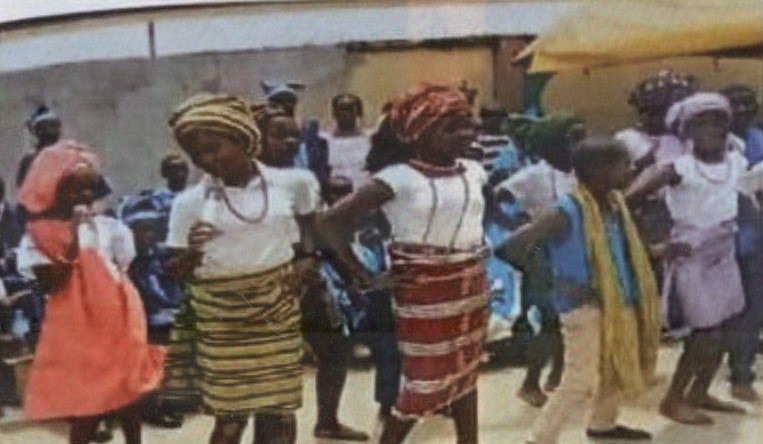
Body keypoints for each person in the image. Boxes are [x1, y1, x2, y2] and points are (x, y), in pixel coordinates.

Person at [320, 83, 488, 444]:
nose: (464, 134)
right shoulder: (397, 178)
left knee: (466, 373)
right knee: (423, 383)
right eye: (451, 128)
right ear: (418, 133)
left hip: (471, 285)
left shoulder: (475, 171)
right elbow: (331, 222)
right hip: (422, 291)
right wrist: (363, 277)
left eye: (467, 125)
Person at [162, 94, 320, 444]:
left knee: (278, 412)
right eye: (197, 155)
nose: (206, 161)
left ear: (242, 138)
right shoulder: (189, 203)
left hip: (276, 309)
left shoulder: (293, 182)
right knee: (230, 419)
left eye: (213, 148)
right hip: (221, 317)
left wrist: (307, 259)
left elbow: (309, 225)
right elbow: (174, 270)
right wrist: (192, 252)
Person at [499, 138, 660, 444]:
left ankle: (603, 424)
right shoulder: (568, 210)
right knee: (580, 378)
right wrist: (552, 280)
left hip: (618, 299)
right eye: (623, 165)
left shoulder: (615, 205)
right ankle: (540, 438)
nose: (630, 170)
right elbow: (512, 247)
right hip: (583, 306)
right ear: (598, 170)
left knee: (615, 364)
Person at [15, 140, 164, 444]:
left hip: (119, 319)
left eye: (89, 188)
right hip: (78, 326)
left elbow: (122, 266)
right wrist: (72, 236)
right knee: (89, 400)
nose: (84, 196)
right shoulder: (39, 236)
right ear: (52, 189)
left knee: (129, 390)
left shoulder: (109, 227)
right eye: (74, 189)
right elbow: (51, 284)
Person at [628, 92, 748, 424]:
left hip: (724, 252)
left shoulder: (736, 161)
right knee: (704, 334)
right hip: (691, 256)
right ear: (686, 131)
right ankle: (673, 399)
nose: (711, 129)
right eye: (701, 123)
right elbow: (625, 202)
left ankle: (700, 392)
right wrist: (652, 246)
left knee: (723, 328)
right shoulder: (676, 169)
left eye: (718, 121)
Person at [251, 102, 369, 441]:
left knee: (335, 347)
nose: (290, 143)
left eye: (294, 136)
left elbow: (316, 228)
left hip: (306, 277)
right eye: (279, 135)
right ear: (256, 137)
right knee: (273, 367)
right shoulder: (244, 180)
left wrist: (346, 271)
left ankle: (327, 421)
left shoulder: (300, 179)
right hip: (266, 281)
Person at [495, 112, 584, 408]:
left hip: (576, 252)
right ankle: (531, 382)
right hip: (544, 254)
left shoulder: (582, 171)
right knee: (548, 322)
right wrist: (518, 226)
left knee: (571, 319)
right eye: (573, 138)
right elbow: (495, 197)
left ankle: (558, 376)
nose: (579, 144)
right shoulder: (534, 175)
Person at [324, 94, 372, 188]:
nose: (345, 113)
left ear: (359, 112)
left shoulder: (370, 139)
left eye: (350, 109)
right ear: (334, 113)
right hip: (334, 192)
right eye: (341, 109)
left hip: (363, 190)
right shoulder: (325, 140)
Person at [16, 105, 63, 188]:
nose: (50, 132)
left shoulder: (66, 156)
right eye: (47, 128)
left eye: (53, 127)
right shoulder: (30, 159)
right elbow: (22, 187)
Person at [722, 85, 763, 168]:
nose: (742, 109)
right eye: (734, 104)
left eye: (747, 104)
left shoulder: (759, 136)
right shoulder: (714, 141)